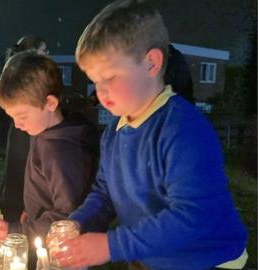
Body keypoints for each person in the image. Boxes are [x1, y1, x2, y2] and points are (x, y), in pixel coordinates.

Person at [52, 1, 248, 269]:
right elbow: (105, 193)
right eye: (95, 80)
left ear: (151, 63)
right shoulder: (114, 134)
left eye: (110, 76)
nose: (101, 91)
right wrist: (78, 223)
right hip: (149, 258)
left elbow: (193, 216)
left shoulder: (184, 130)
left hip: (205, 261)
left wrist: (112, 245)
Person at [0, 51, 98, 266]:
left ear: (50, 103)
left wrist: (15, 231)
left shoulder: (60, 151)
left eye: (22, 116)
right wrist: (34, 210)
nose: (17, 124)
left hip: (62, 255)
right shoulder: (43, 131)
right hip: (42, 233)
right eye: (12, 117)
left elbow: (68, 218)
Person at [0, 35, 49, 224]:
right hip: (26, 130)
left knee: (22, 171)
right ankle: (17, 213)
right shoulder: (27, 76)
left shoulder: (15, 71)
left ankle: (18, 211)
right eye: (44, 51)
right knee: (21, 170)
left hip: (23, 129)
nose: (47, 56)